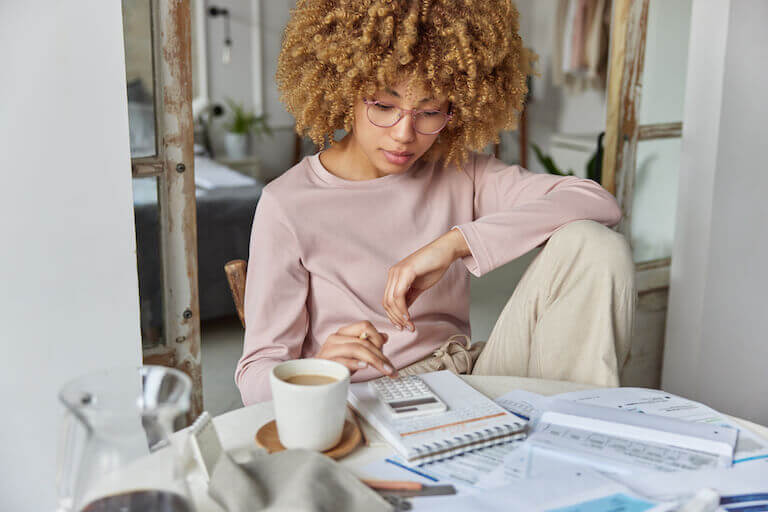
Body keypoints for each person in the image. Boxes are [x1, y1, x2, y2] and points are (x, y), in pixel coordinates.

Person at [236, 0, 635, 405]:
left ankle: (579, 430)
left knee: (594, 245)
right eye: (384, 106)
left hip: (465, 377)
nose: (404, 134)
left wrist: (453, 245)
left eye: (429, 111)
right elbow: (255, 377)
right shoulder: (287, 203)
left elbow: (597, 202)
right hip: (366, 399)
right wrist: (321, 368)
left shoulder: (460, 171)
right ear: (344, 90)